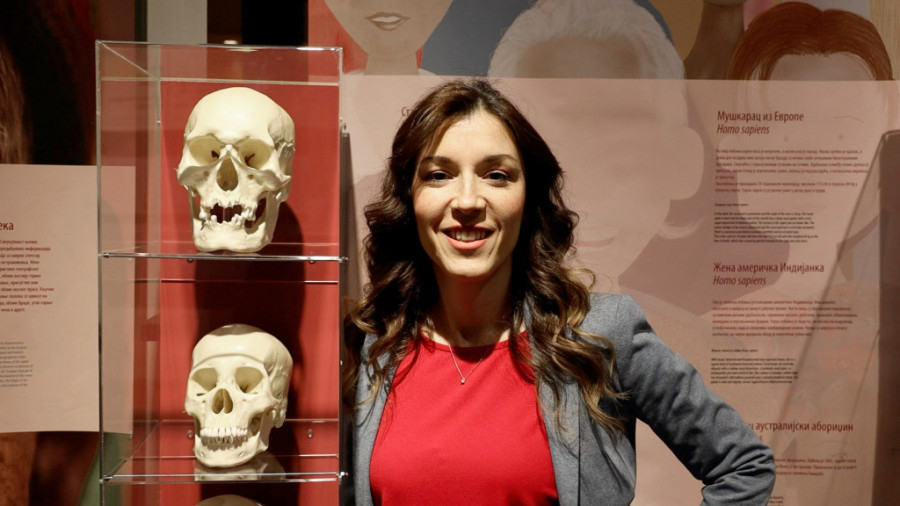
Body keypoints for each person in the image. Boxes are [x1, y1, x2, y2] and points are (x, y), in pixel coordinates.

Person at [344, 79, 775, 505]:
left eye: (496, 175)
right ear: (409, 197)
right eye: (439, 175)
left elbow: (744, 466)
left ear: (528, 197)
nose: (468, 200)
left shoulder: (601, 335)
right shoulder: (370, 344)